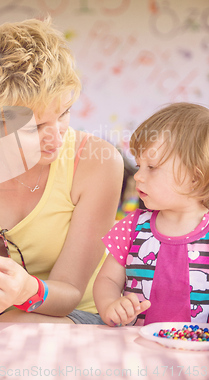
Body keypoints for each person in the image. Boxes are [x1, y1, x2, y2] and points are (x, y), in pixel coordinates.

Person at [0, 17, 124, 323]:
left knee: (19, 326)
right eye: (34, 128)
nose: (56, 137)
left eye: (64, 113)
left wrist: (25, 290)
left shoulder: (98, 163)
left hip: (75, 313)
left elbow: (69, 293)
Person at [93, 102, 209, 327]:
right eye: (138, 165)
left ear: (195, 177)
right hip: (135, 346)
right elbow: (107, 279)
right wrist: (110, 305)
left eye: (152, 167)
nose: (138, 176)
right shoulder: (132, 226)